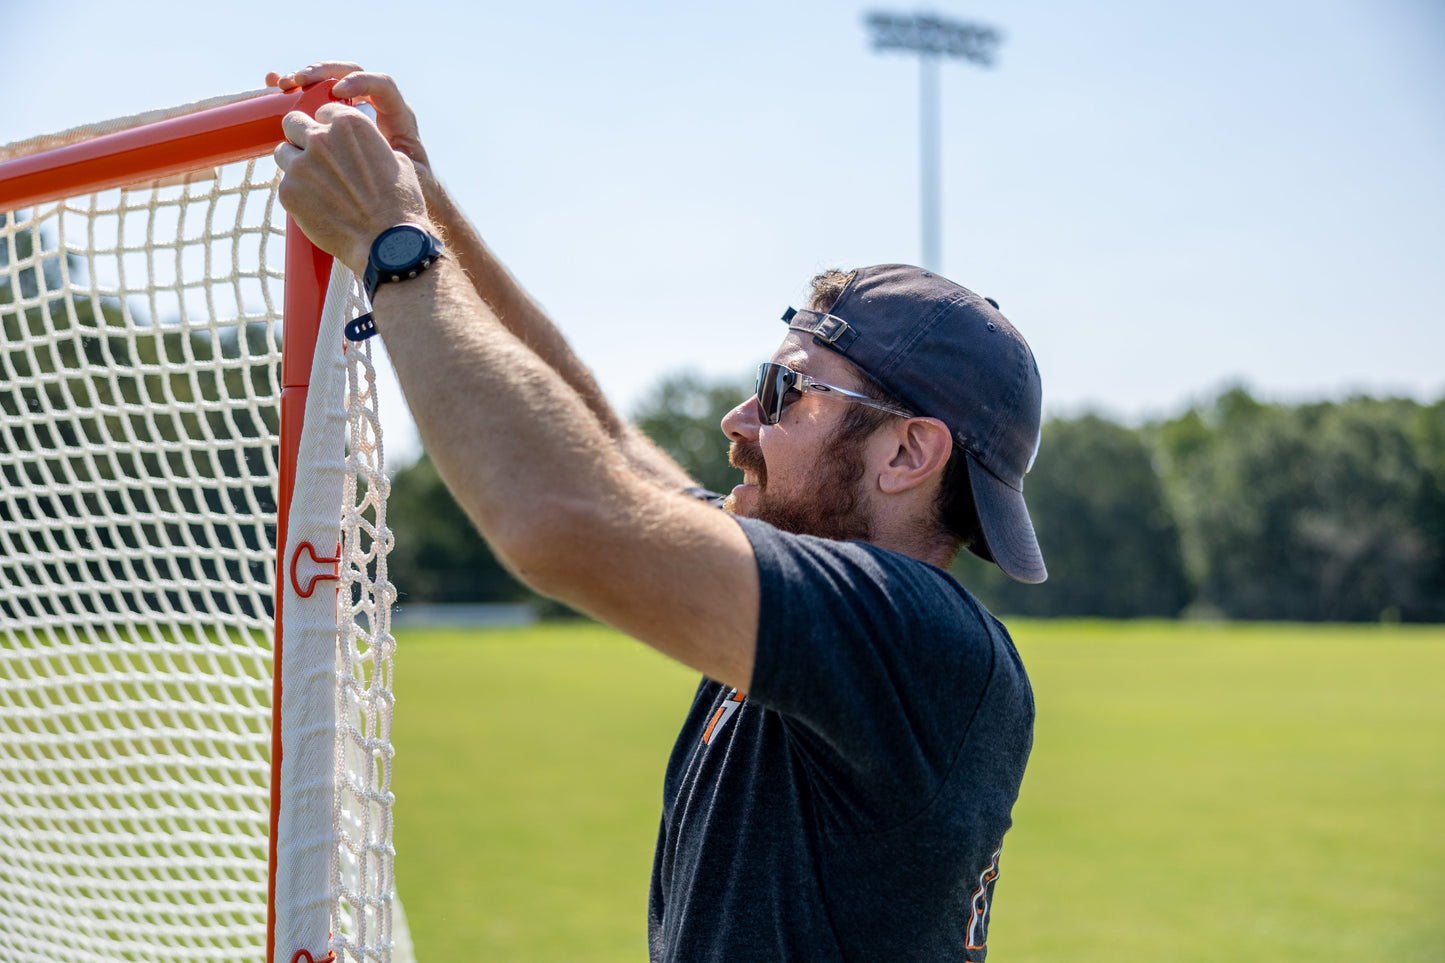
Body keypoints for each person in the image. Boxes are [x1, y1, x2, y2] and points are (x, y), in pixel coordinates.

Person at [270, 62, 1047, 962]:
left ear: (907, 453)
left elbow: (561, 517)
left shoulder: (916, 640)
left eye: (783, 390)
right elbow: (601, 443)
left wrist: (392, 245)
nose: (737, 419)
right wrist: (426, 201)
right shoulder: (818, 597)